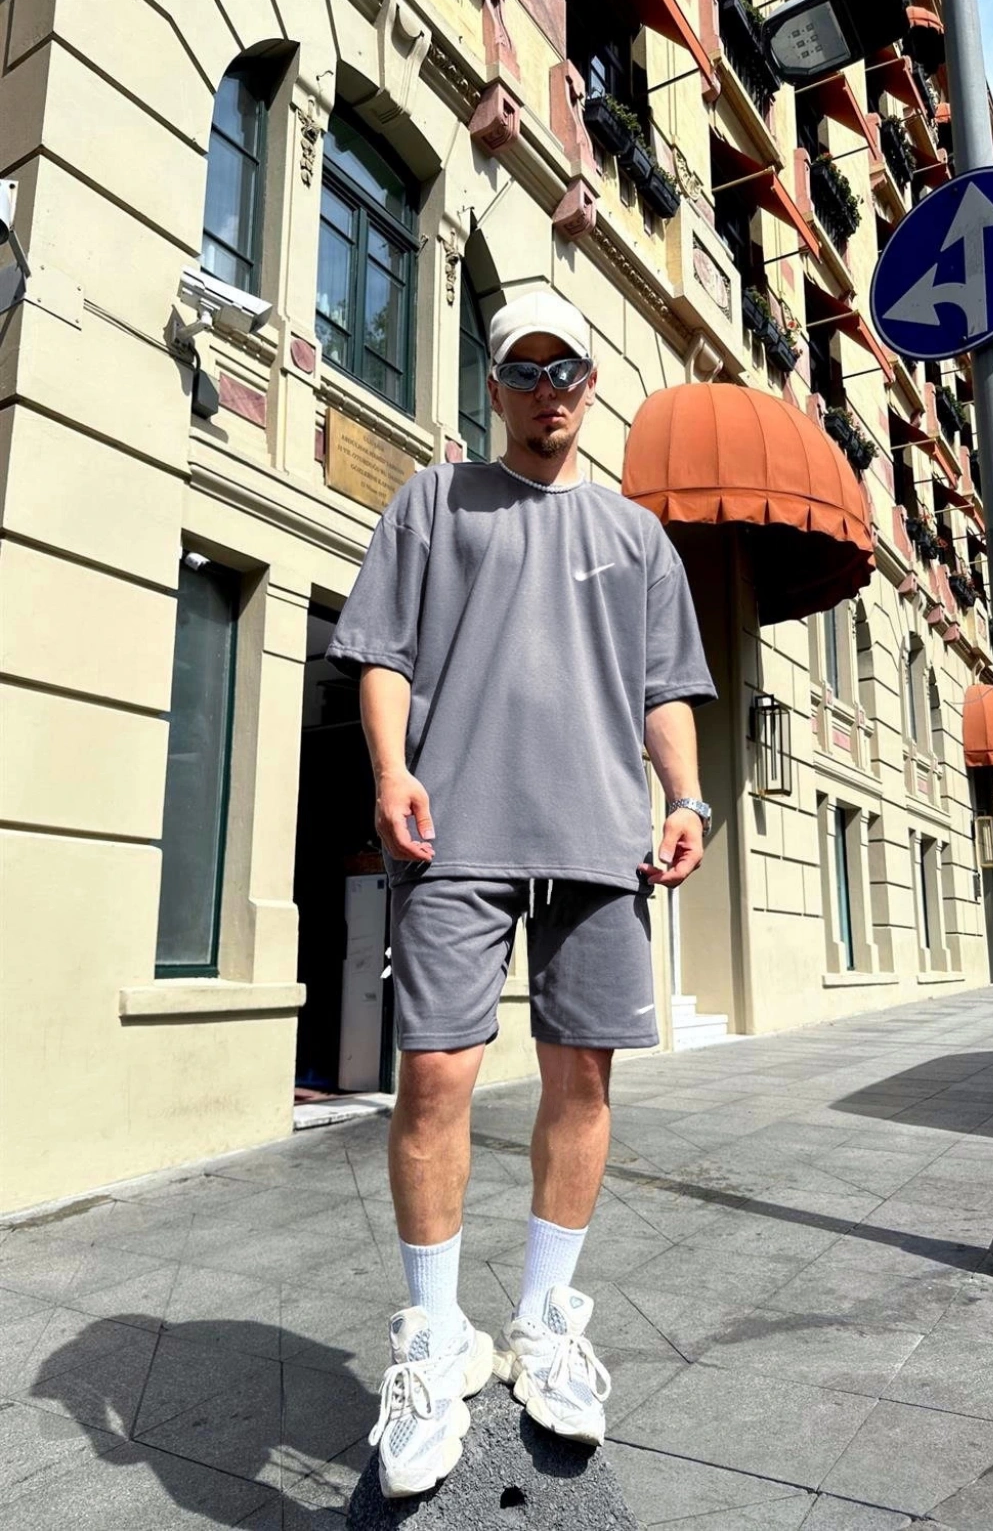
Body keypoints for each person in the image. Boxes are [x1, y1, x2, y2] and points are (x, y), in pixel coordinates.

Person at [327, 290, 716, 1499]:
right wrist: (390, 773)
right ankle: (434, 1340)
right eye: (523, 370)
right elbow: (382, 654)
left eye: (565, 370)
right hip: (455, 828)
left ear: (590, 384)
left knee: (582, 1077)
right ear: (493, 386)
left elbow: (663, 687)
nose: (546, 389)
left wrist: (687, 799)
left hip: (600, 836)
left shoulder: (636, 536)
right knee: (435, 1076)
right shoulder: (432, 502)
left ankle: (546, 1324)